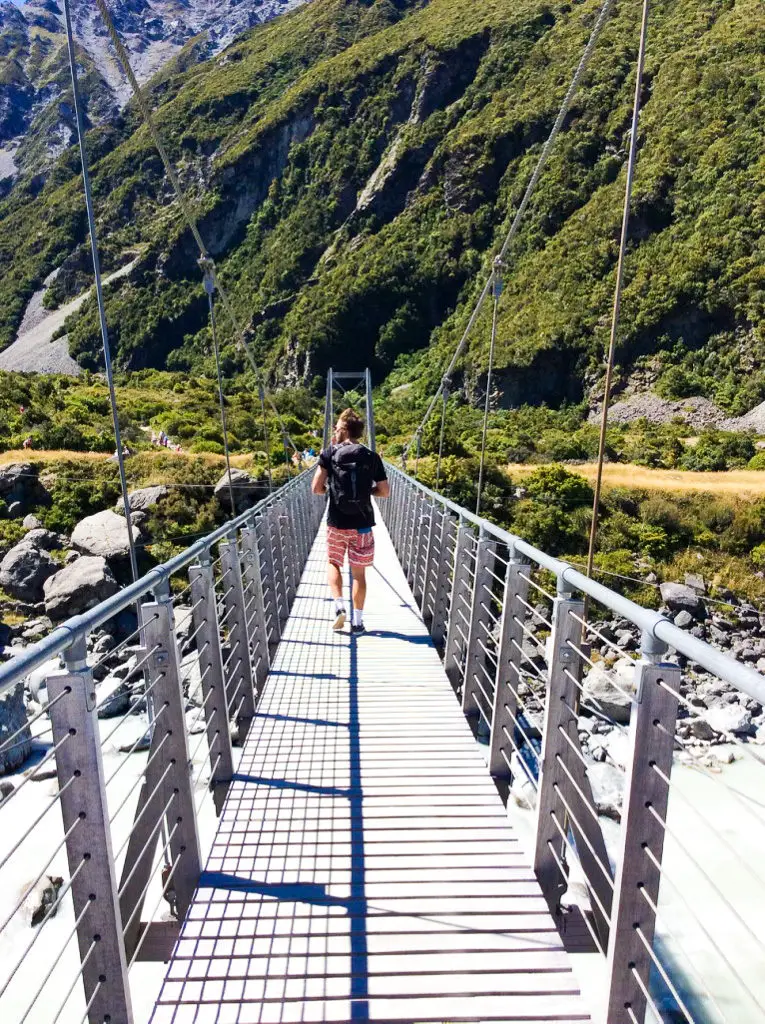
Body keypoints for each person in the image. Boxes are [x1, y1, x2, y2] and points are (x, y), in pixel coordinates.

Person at [312, 408, 390, 634]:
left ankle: (338, 608)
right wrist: (368, 492)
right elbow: (385, 492)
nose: (334, 431)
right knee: (359, 574)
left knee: (334, 563)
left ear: (344, 430)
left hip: (337, 522)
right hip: (363, 524)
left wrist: (329, 490)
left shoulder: (329, 454)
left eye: (336, 427)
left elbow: (316, 488)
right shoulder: (371, 456)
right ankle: (357, 623)